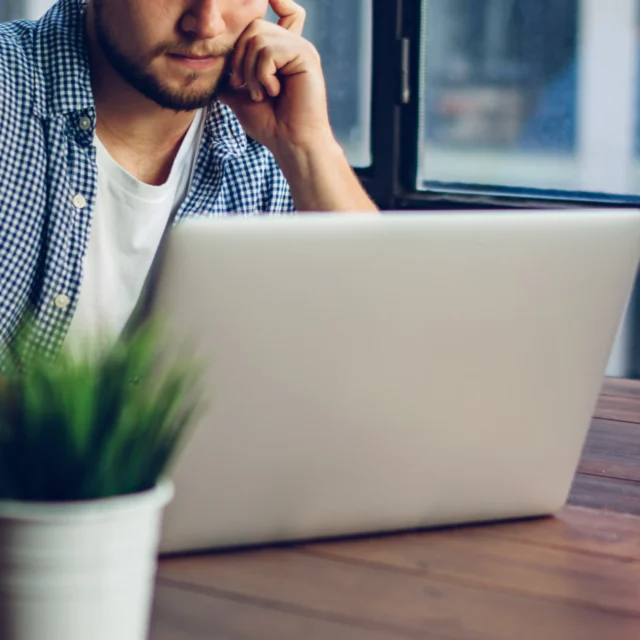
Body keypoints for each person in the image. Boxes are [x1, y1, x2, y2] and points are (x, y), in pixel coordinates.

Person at [0, 0, 378, 365]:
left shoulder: (266, 141)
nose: (207, 23)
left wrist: (305, 145)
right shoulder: (9, 89)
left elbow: (383, 342)